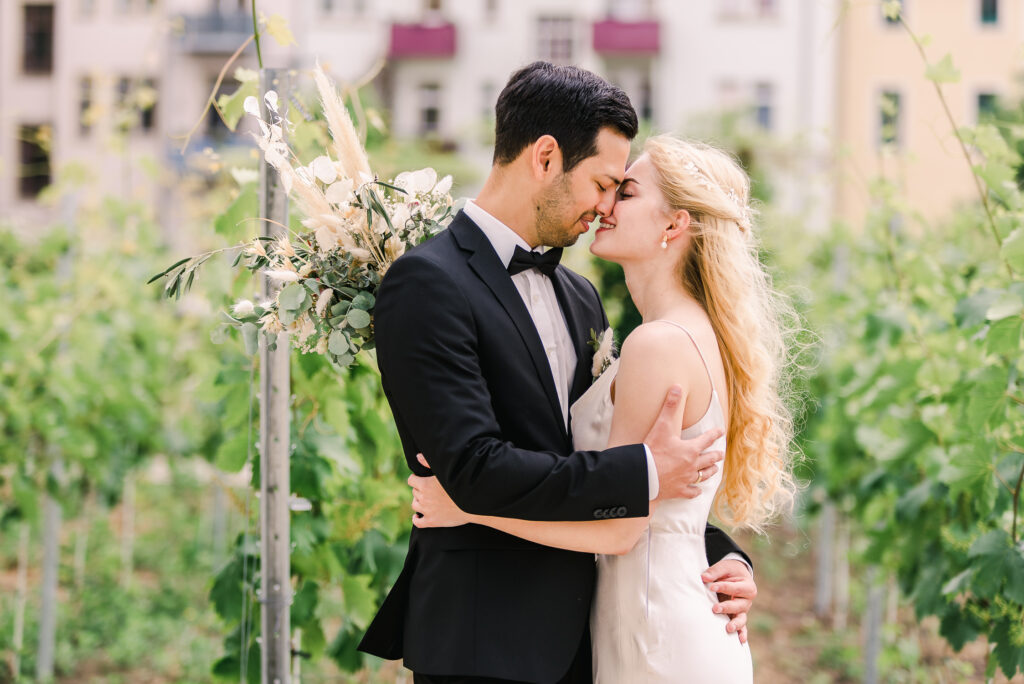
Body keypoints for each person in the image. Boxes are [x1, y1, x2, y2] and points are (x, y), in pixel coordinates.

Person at [357, 62, 757, 684]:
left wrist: (718, 555)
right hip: (485, 644)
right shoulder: (426, 284)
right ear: (545, 158)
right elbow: (472, 466)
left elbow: (598, 461)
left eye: (621, 191)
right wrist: (647, 472)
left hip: (591, 640)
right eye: (604, 184)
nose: (604, 208)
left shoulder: (580, 296)